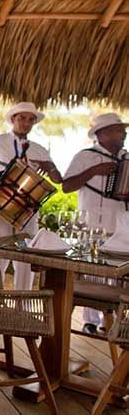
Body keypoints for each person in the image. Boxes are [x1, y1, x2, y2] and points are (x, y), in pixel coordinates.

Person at [0, 102, 62, 290]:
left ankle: (22, 303)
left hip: (28, 209)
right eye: (21, 118)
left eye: (30, 120)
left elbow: (58, 179)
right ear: (13, 119)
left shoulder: (40, 149)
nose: (26, 123)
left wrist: (49, 167)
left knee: (27, 254)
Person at [63, 112, 129, 335]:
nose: (124, 133)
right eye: (120, 130)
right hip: (91, 222)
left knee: (116, 273)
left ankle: (111, 322)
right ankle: (89, 321)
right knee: (90, 272)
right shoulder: (85, 156)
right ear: (103, 134)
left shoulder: (126, 158)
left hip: (119, 224)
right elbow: (67, 185)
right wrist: (94, 171)